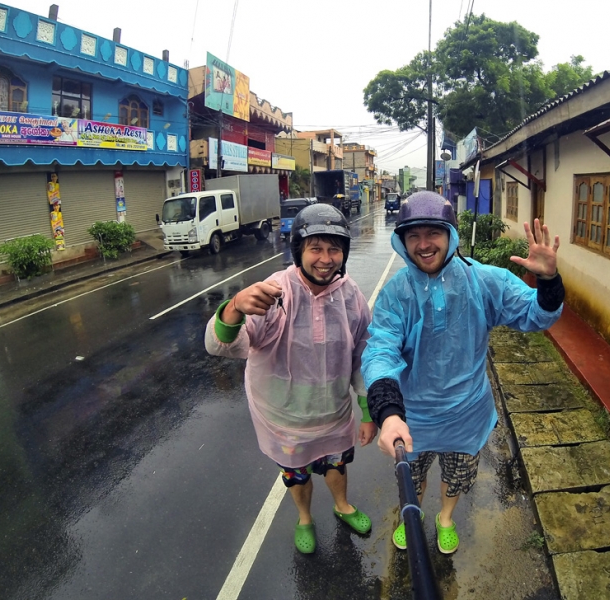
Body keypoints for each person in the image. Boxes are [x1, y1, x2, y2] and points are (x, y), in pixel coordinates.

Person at [362, 191, 564, 554]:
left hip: (466, 414)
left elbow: (536, 315)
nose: (424, 245)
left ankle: (445, 520)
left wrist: (549, 282)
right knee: (413, 478)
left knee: (456, 478)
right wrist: (388, 413)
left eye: (433, 233)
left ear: (451, 235)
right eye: (413, 236)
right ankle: (414, 514)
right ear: (402, 241)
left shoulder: (486, 281)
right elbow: (380, 350)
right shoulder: (395, 294)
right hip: (412, 420)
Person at [205, 204, 377, 554]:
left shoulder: (351, 295)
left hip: (333, 415)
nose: (325, 259)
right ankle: (304, 518)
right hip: (283, 419)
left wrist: (368, 410)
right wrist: (234, 307)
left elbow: (363, 353)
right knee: (296, 473)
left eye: (334, 248)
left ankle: (342, 505)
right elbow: (222, 346)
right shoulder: (275, 292)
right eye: (316, 248)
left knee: (336, 463)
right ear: (299, 251)